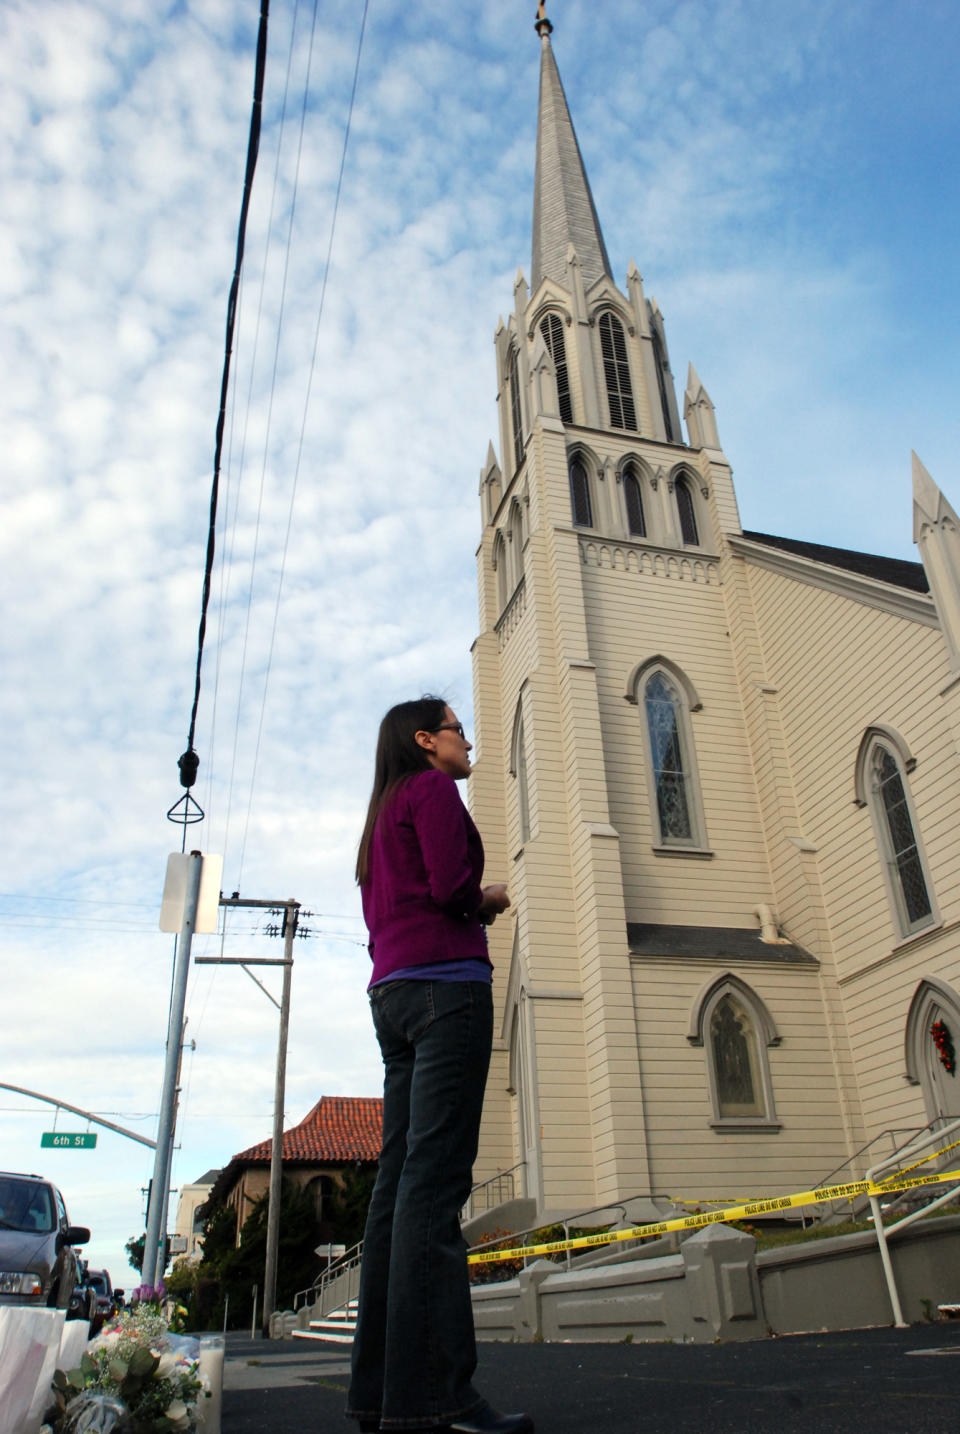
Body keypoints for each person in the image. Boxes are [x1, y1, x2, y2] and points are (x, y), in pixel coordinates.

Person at [346, 696, 533, 1434]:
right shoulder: (432, 791)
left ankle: (381, 1396)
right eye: (457, 727)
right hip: (446, 989)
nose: (467, 738)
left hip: (389, 995)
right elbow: (454, 889)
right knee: (435, 1187)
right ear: (425, 741)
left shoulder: (380, 815)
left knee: (396, 1187)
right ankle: (438, 1399)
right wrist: (486, 900)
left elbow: (389, 910)